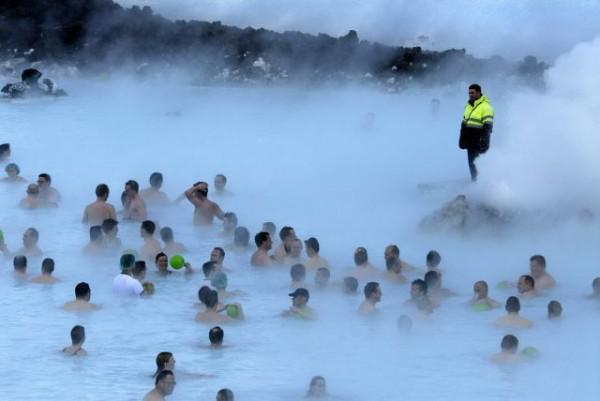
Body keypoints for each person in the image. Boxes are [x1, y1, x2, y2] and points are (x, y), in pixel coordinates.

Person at [458, 83, 495, 181]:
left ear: (479, 92)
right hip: (470, 142)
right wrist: (462, 139)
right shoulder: (468, 106)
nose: (470, 94)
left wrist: (483, 142)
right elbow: (465, 124)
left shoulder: (486, 107)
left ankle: (481, 185)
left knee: (479, 166)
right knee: (471, 165)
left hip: (479, 142)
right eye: (469, 93)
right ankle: (474, 183)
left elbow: (488, 127)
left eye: (472, 93)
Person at [1, 68, 67, 98]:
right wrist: (12, 91)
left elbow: (49, 93)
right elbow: (4, 89)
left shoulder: (41, 86)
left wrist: (55, 92)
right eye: (34, 78)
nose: (36, 79)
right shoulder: (19, 86)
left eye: (37, 78)